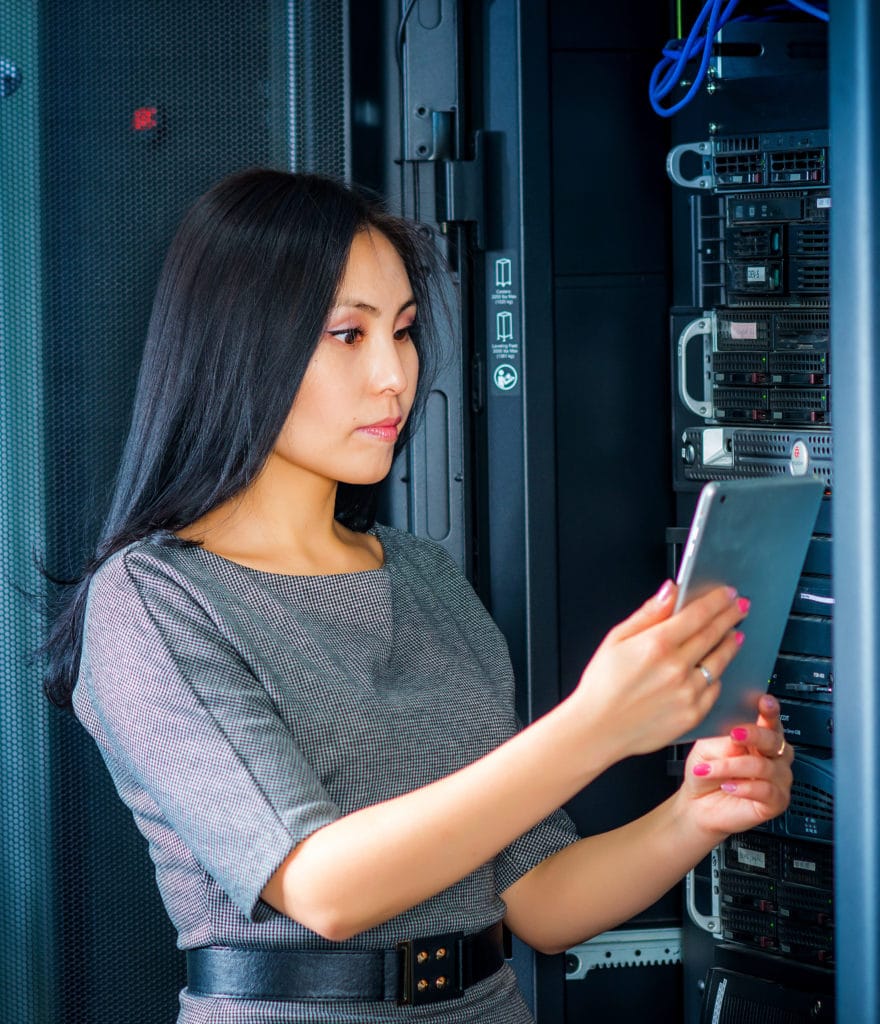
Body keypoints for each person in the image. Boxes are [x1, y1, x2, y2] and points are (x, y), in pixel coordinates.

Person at [42, 168, 793, 1023]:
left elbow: (538, 901)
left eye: (400, 333)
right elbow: (322, 885)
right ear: (241, 343)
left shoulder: (424, 576)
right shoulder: (154, 600)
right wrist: (595, 727)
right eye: (347, 335)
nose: (396, 376)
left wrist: (695, 815)